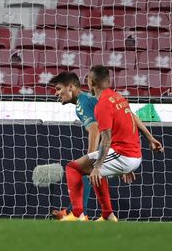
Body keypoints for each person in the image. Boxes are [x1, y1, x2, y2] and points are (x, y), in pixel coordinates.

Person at [63, 66, 164, 222]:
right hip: (130, 154)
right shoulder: (118, 97)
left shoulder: (102, 105)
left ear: (91, 82)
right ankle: (108, 215)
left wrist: (97, 166)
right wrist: (150, 138)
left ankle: (78, 215)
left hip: (124, 155)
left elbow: (106, 138)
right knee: (96, 171)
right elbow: (132, 117)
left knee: (73, 168)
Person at [48, 71, 99, 221]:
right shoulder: (87, 99)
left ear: (70, 87)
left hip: (118, 144)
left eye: (58, 89)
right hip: (121, 143)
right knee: (85, 171)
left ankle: (77, 214)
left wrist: (91, 157)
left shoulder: (82, 103)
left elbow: (95, 128)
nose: (56, 93)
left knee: (80, 168)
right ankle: (79, 212)